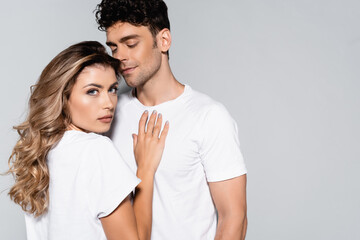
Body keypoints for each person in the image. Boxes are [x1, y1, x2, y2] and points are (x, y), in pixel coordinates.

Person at [95, 0, 248, 239]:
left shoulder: (208, 116)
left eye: (131, 44)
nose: (120, 57)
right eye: (114, 48)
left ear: (163, 40)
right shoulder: (106, 114)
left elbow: (234, 218)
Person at [7, 41, 169, 240]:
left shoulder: (43, 154)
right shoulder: (95, 149)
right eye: (92, 91)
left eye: (112, 89)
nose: (108, 103)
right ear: (63, 97)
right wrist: (145, 169)